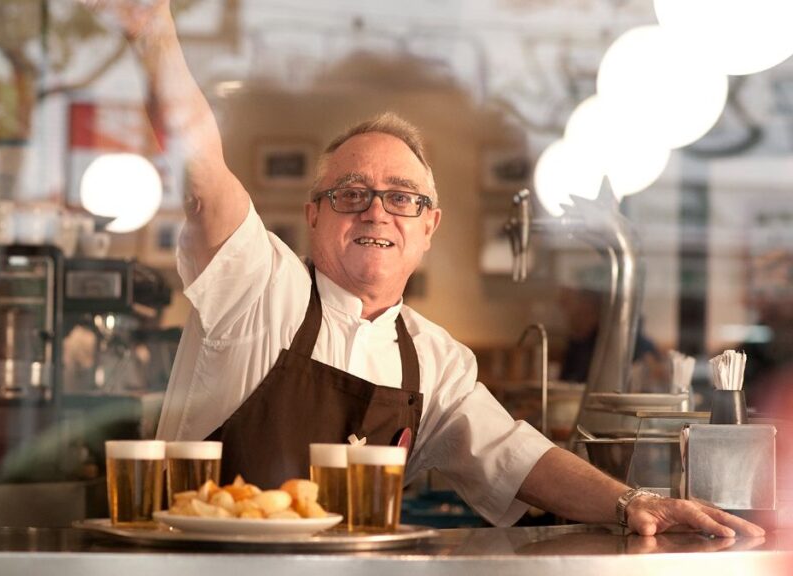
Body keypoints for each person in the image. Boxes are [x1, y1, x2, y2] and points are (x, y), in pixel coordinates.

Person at [100, 0, 763, 537]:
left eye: (402, 197)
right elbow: (201, 167)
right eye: (351, 193)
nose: (376, 212)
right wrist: (154, 29)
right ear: (315, 215)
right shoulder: (258, 282)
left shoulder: (433, 360)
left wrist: (631, 503)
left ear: (428, 228)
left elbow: (516, 457)